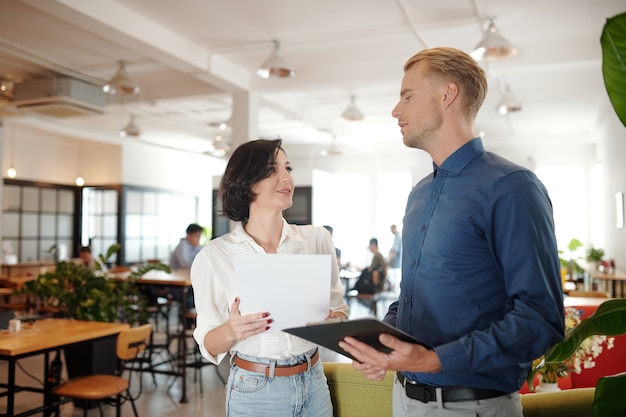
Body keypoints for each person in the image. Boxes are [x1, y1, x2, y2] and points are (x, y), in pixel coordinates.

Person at [338, 47, 565, 416]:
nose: (396, 111)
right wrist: (382, 341)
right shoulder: (419, 194)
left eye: (407, 96)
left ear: (447, 94)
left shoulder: (512, 187)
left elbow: (540, 319)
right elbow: (411, 299)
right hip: (405, 400)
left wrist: (434, 360)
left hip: (472, 405)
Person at [191, 138, 349, 417]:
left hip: (313, 381)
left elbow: (339, 311)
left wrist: (328, 322)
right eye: (272, 169)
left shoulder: (316, 239)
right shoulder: (215, 256)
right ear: (246, 182)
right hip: (255, 390)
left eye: (287, 167)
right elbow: (207, 342)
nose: (286, 177)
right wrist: (232, 330)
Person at [387, 224, 402, 292]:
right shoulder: (397, 237)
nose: (391, 231)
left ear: (394, 228)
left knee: (394, 280)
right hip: (395, 264)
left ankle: (392, 287)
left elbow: (394, 251)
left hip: (395, 264)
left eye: (391, 229)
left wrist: (388, 261)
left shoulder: (398, 237)